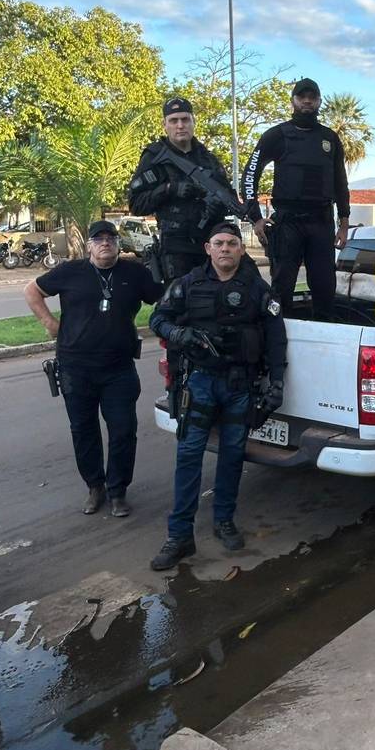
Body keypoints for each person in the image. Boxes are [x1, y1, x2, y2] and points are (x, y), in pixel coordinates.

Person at [149, 222, 287, 570]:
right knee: (189, 455)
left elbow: (275, 338)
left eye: (232, 243)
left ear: (241, 250)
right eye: (219, 243)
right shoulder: (187, 284)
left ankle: (224, 520)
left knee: (232, 456)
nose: (225, 248)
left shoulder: (257, 289)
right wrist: (179, 334)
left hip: (240, 386)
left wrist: (277, 383)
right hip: (199, 383)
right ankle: (179, 535)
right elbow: (158, 319)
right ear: (208, 249)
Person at [23, 220, 163, 516]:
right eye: (98, 239)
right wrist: (50, 324)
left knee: (124, 429)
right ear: (88, 245)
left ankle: (118, 491)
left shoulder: (134, 273)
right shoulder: (69, 272)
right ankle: (95, 487)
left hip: (119, 368)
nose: (105, 243)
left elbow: (160, 295)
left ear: (117, 243)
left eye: (110, 238)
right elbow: (32, 291)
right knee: (83, 430)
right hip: (76, 368)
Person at [241, 78, 350, 318]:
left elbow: (340, 182)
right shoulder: (276, 135)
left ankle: (324, 340)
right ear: (293, 101)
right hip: (287, 224)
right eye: (302, 97)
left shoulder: (330, 138)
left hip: (321, 222)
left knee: (324, 287)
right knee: (282, 288)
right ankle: (279, 342)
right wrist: (256, 218)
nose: (307, 101)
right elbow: (250, 175)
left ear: (319, 101)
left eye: (312, 97)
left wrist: (343, 223)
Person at [128, 96, 234, 282]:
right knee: (179, 305)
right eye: (174, 120)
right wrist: (169, 189)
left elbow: (229, 198)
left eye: (185, 119)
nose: (180, 125)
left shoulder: (208, 159)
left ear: (194, 122)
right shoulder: (154, 157)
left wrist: (219, 207)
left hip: (211, 246)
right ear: (165, 124)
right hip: (176, 249)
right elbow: (136, 204)